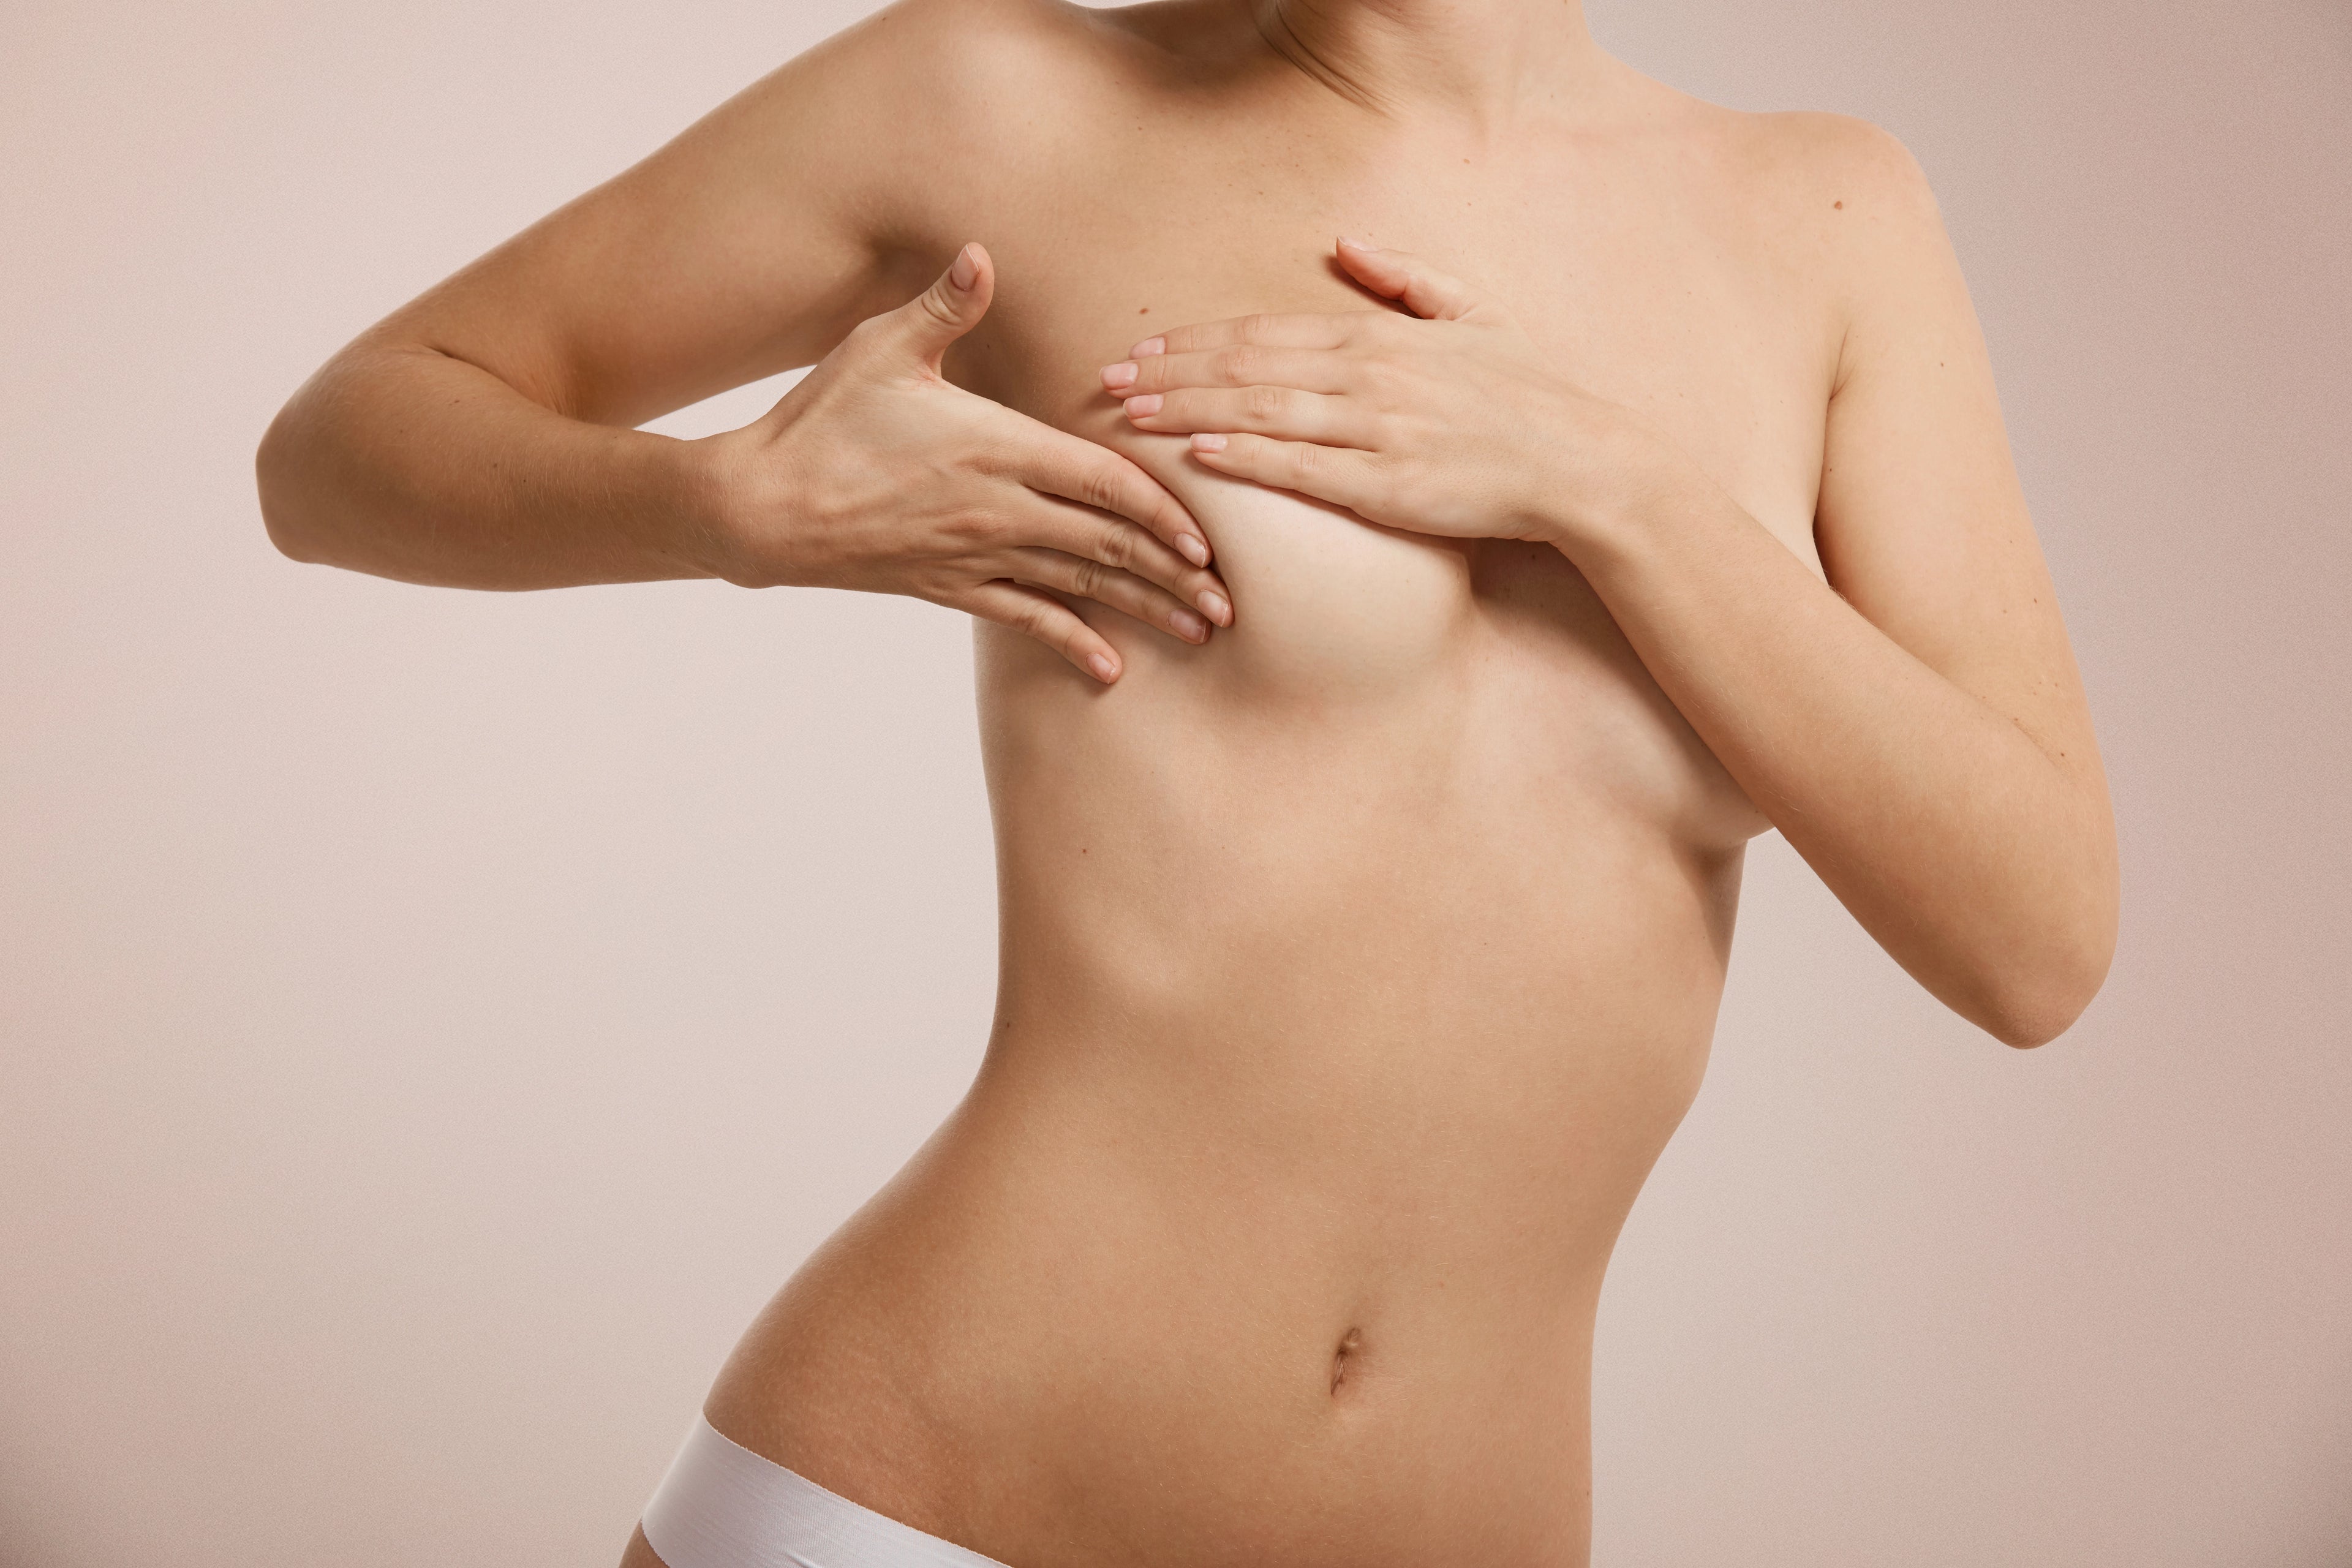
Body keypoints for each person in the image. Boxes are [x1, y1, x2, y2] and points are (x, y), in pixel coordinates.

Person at [254, 0, 2120, 1562]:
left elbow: (2033, 944)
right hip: (926, 1509)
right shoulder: (998, 98)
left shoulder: (1828, 218)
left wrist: (1607, 486)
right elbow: (338, 444)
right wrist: (720, 507)